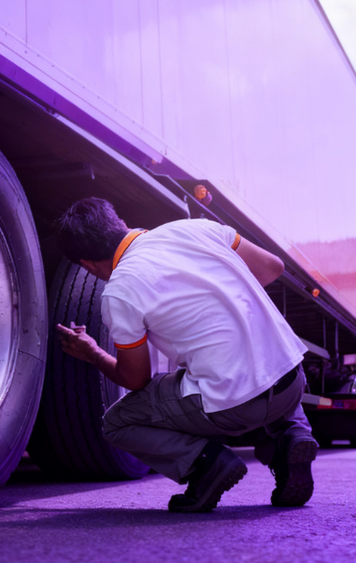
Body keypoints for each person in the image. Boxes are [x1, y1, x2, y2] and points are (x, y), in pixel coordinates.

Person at [54, 197, 319, 513]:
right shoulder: (199, 229)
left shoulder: (120, 291)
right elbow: (273, 267)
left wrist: (93, 353)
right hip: (292, 382)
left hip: (237, 405)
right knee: (263, 360)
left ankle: (207, 463)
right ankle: (291, 434)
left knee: (118, 422)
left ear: (87, 264)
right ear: (119, 223)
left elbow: (136, 380)